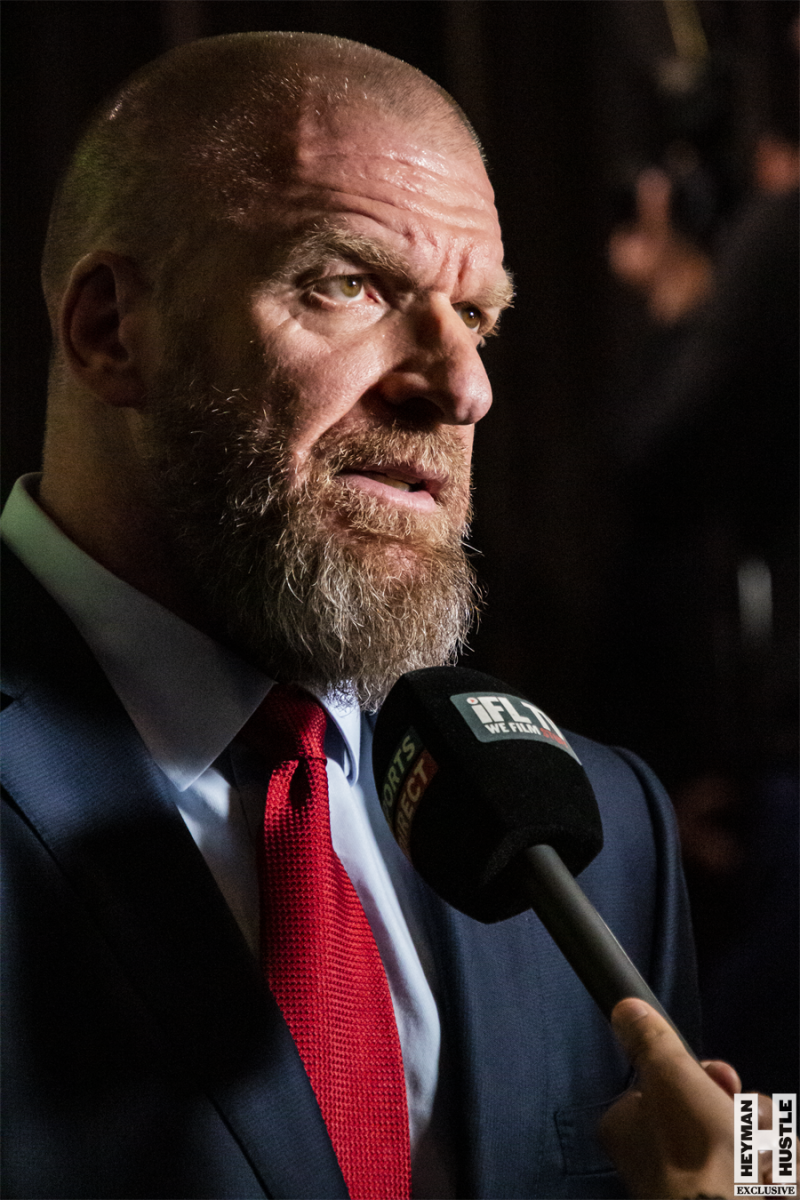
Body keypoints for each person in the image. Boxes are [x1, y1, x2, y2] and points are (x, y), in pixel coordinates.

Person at [0, 32, 699, 1199]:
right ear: (111, 330)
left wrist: (771, 1176)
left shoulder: (604, 827)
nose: (462, 386)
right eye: (349, 284)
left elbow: (755, 1126)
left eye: (476, 315)